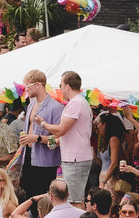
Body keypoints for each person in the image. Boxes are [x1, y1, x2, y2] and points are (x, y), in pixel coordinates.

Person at [33, 72, 94, 203]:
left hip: (76, 159)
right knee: (73, 199)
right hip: (75, 157)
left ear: (67, 86)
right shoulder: (78, 102)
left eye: (61, 85)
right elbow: (75, 132)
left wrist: (43, 123)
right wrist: (57, 141)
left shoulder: (76, 103)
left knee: (74, 200)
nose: (60, 88)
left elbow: (61, 129)